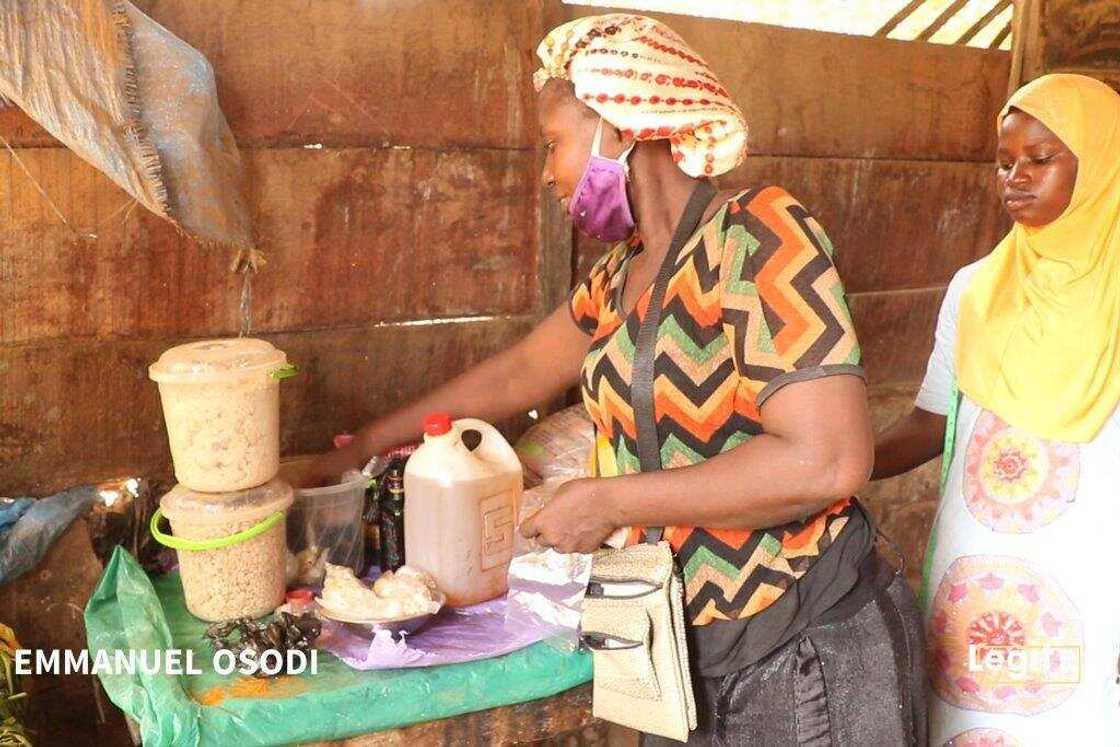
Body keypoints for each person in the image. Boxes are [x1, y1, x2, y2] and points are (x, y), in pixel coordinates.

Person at [311, 14, 926, 744]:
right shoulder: (618, 276)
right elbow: (520, 371)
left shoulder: (757, 236)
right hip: (679, 646)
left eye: (553, 145)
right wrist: (363, 447)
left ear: (621, 126)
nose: (546, 172)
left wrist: (608, 500)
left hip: (803, 650)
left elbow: (826, 459)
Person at [872, 73, 1120, 744]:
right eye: (1005, 162)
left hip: (1094, 576)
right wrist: (837, 464)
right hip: (975, 578)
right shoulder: (975, 288)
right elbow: (931, 420)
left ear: (1102, 162)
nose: (1016, 177)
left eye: (1041, 160)